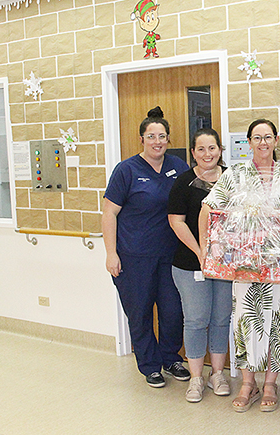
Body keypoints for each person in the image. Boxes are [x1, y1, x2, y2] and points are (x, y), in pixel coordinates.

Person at [200, 119, 280, 413]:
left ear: (276, 140)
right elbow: (209, 209)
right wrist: (206, 251)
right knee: (246, 322)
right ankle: (248, 383)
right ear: (248, 142)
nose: (263, 143)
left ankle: (271, 383)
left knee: (278, 322)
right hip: (243, 266)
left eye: (268, 137)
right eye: (257, 137)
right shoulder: (234, 176)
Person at [102, 106, 191, 388]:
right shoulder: (126, 170)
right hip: (133, 257)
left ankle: (170, 357)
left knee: (172, 310)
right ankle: (150, 365)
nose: (157, 142)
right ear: (141, 139)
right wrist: (111, 253)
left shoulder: (179, 167)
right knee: (139, 313)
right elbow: (109, 214)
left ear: (168, 139)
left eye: (162, 136)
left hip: (170, 255)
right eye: (151, 136)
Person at [167, 128, 232, 403]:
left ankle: (217, 374)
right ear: (193, 153)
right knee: (196, 321)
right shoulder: (183, 182)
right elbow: (176, 221)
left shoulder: (232, 180)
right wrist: (201, 252)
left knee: (220, 319)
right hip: (190, 264)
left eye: (212, 148)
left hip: (226, 265)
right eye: (201, 149)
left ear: (220, 150)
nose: (208, 154)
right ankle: (195, 378)